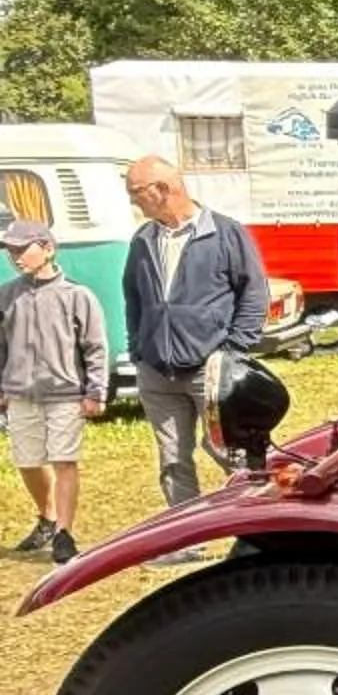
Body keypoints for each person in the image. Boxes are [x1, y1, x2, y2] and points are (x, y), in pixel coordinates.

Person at [122, 156, 268, 551]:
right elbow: (133, 298)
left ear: (162, 189)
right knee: (172, 459)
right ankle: (185, 543)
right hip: (157, 372)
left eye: (136, 192)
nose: (132, 201)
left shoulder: (224, 233)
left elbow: (254, 294)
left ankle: (257, 535)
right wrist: (138, 348)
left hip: (212, 369)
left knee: (230, 452)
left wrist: (231, 353)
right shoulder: (143, 240)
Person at [1, 216, 111, 565]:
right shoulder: (7, 295)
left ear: (47, 249)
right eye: (10, 251)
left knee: (64, 461)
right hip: (20, 394)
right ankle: (47, 517)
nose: (15, 257)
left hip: (65, 394)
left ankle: (64, 533)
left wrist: (95, 391)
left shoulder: (77, 296)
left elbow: (95, 347)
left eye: (22, 249)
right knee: (27, 462)